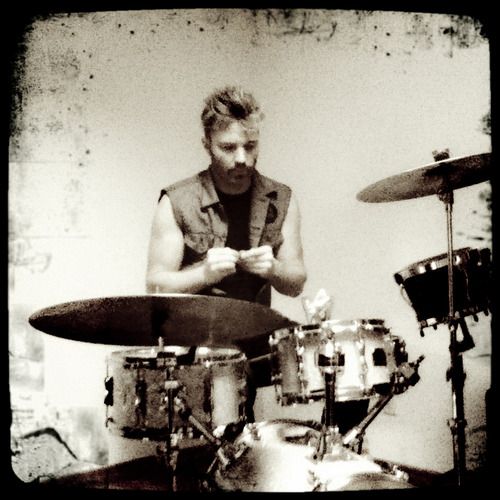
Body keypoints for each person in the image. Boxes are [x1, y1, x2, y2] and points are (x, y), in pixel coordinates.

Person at [145, 85, 368, 433]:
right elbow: (156, 286)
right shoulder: (176, 200)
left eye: (250, 146)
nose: (242, 159)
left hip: (258, 332)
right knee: (230, 382)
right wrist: (204, 273)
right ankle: (236, 451)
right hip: (200, 340)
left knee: (343, 362)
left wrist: (274, 269)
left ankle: (331, 452)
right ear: (207, 144)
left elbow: (295, 283)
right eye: (228, 147)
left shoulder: (282, 197)